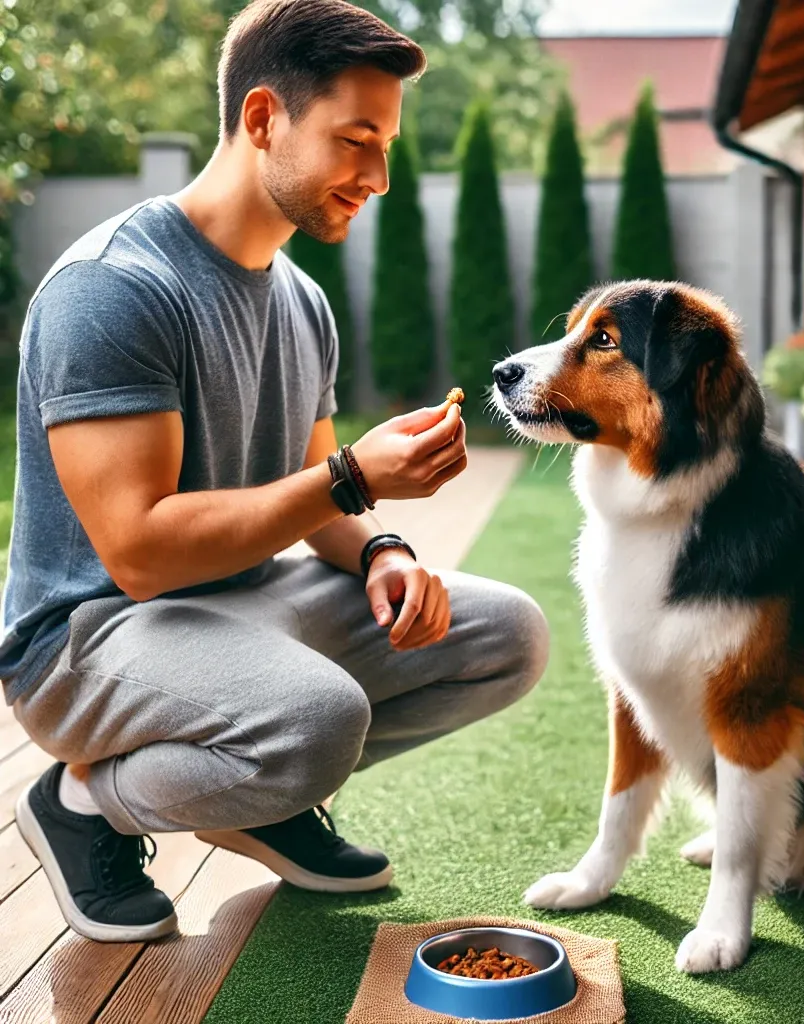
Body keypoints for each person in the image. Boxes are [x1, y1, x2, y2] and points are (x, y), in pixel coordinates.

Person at [0, 0, 549, 943]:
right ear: (263, 119)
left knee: (506, 632)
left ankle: (258, 793)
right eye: (356, 141)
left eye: (386, 146)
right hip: (88, 639)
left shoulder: (299, 299)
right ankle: (84, 807)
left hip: (237, 604)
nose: (378, 177)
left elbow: (309, 500)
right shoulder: (114, 290)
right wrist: (352, 479)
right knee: (317, 720)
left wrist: (379, 546)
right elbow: (137, 555)